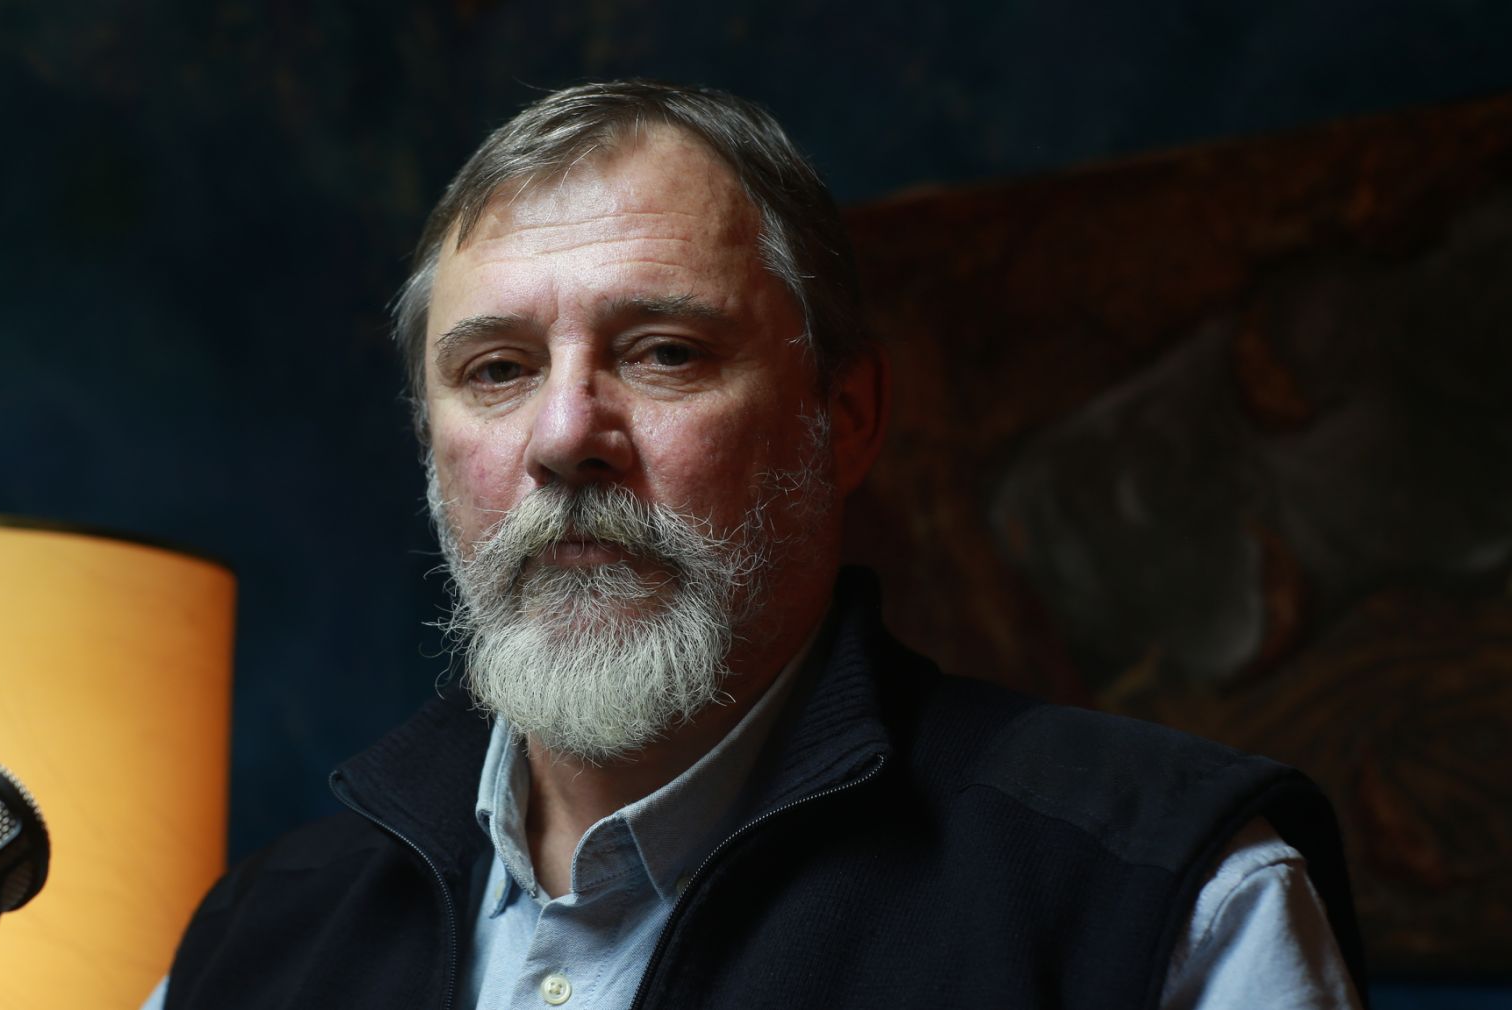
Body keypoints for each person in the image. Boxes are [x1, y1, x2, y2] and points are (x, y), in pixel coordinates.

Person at [150, 80, 1367, 1009]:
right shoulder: (248, 940)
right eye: (499, 369)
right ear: (432, 441)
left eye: (664, 352)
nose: (565, 435)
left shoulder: (1167, 897)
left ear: (845, 418)